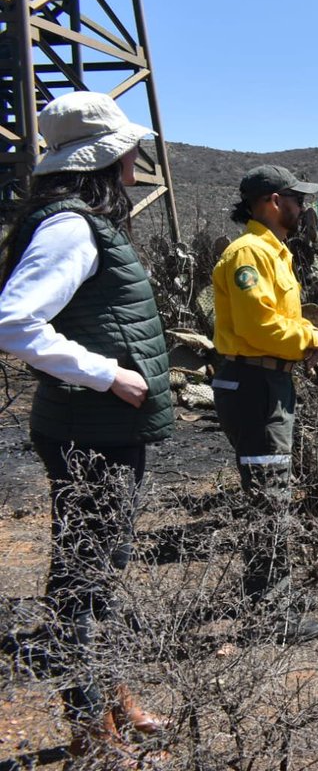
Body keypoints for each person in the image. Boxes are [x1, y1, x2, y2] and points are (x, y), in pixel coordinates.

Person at [0, 91, 172, 764]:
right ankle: (89, 728)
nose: (137, 154)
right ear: (105, 157)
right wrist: (108, 374)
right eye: (128, 145)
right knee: (82, 581)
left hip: (95, 426)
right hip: (88, 427)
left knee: (100, 573)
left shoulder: (79, 221)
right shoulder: (72, 227)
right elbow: (13, 322)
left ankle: (111, 700)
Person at [211, 165, 318, 644]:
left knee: (272, 487)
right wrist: (310, 336)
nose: (303, 208)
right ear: (274, 201)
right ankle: (270, 614)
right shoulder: (249, 253)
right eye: (297, 200)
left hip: (267, 382)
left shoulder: (271, 253)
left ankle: (270, 593)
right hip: (255, 383)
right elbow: (259, 326)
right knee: (269, 494)